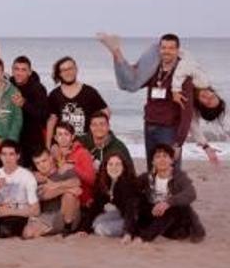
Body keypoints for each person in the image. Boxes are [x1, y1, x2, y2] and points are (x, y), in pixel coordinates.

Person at [99, 33, 226, 165]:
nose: (208, 97)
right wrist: (175, 89)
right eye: (213, 96)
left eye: (208, 102)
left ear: (203, 106)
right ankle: (116, 50)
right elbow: (184, 67)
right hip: (152, 125)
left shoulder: (187, 87)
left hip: (164, 130)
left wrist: (198, 146)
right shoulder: (200, 79)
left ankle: (115, 50)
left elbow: (190, 122)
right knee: (160, 169)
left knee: (126, 84)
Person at [142, 34, 195, 170]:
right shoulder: (154, 70)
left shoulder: (183, 76)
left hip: (169, 131)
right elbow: (133, 83)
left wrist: (178, 143)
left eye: (171, 48)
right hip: (149, 127)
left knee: (171, 171)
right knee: (152, 170)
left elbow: (187, 113)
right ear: (159, 49)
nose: (167, 51)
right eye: (164, 47)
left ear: (178, 50)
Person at [137, 144, 205, 243]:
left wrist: (167, 203)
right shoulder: (147, 178)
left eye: (165, 156)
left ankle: (144, 238)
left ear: (171, 160)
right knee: (140, 201)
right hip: (158, 219)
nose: (161, 160)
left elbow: (191, 193)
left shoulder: (179, 177)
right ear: (153, 162)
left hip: (178, 224)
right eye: (158, 157)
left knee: (177, 206)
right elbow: (131, 187)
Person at [79, 153, 145, 241]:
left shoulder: (129, 184)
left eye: (118, 164)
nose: (114, 167)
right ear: (105, 166)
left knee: (100, 229)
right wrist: (85, 229)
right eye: (110, 164)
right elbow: (96, 206)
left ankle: (133, 230)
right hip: (122, 213)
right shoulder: (105, 182)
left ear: (123, 167)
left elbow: (131, 210)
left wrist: (128, 233)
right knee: (96, 222)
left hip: (138, 217)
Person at [45, 56, 109, 145]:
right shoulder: (54, 95)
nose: (68, 72)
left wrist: (99, 134)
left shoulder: (89, 92)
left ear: (76, 69)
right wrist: (48, 145)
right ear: (60, 74)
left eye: (70, 68)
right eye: (64, 70)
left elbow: (105, 112)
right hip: (63, 144)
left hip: (86, 143)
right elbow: (51, 121)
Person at [23, 148, 82, 239]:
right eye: (37, 163)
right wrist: (67, 189)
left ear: (51, 158)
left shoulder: (64, 171)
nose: (41, 165)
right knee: (27, 233)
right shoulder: (38, 178)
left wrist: (55, 185)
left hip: (68, 214)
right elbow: (44, 195)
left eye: (44, 161)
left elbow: (76, 182)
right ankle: (55, 231)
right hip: (48, 216)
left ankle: (67, 230)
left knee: (70, 196)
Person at [9, 56, 49, 167]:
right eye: (16, 69)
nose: (19, 73)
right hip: (14, 137)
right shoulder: (9, 84)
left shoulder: (38, 88)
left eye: (23, 70)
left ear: (30, 72)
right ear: (12, 70)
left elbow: (43, 115)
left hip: (33, 138)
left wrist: (24, 104)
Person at [52, 122, 97, 217]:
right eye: (60, 134)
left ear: (72, 136)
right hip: (58, 198)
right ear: (55, 138)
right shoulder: (52, 155)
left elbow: (92, 180)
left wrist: (73, 167)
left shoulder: (82, 153)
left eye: (66, 134)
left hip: (81, 201)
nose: (63, 138)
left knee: (69, 194)